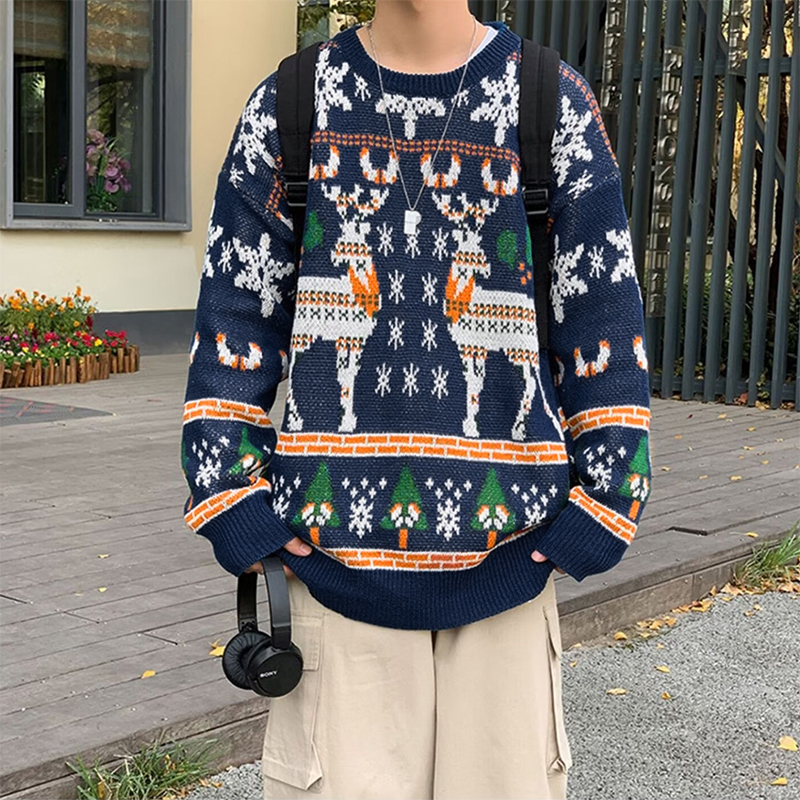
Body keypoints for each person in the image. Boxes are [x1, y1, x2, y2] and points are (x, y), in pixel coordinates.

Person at [180, 1, 652, 798]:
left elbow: (602, 317)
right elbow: (235, 314)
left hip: (510, 566)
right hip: (332, 571)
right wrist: (230, 500)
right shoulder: (290, 105)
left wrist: (606, 505)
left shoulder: (550, 104)